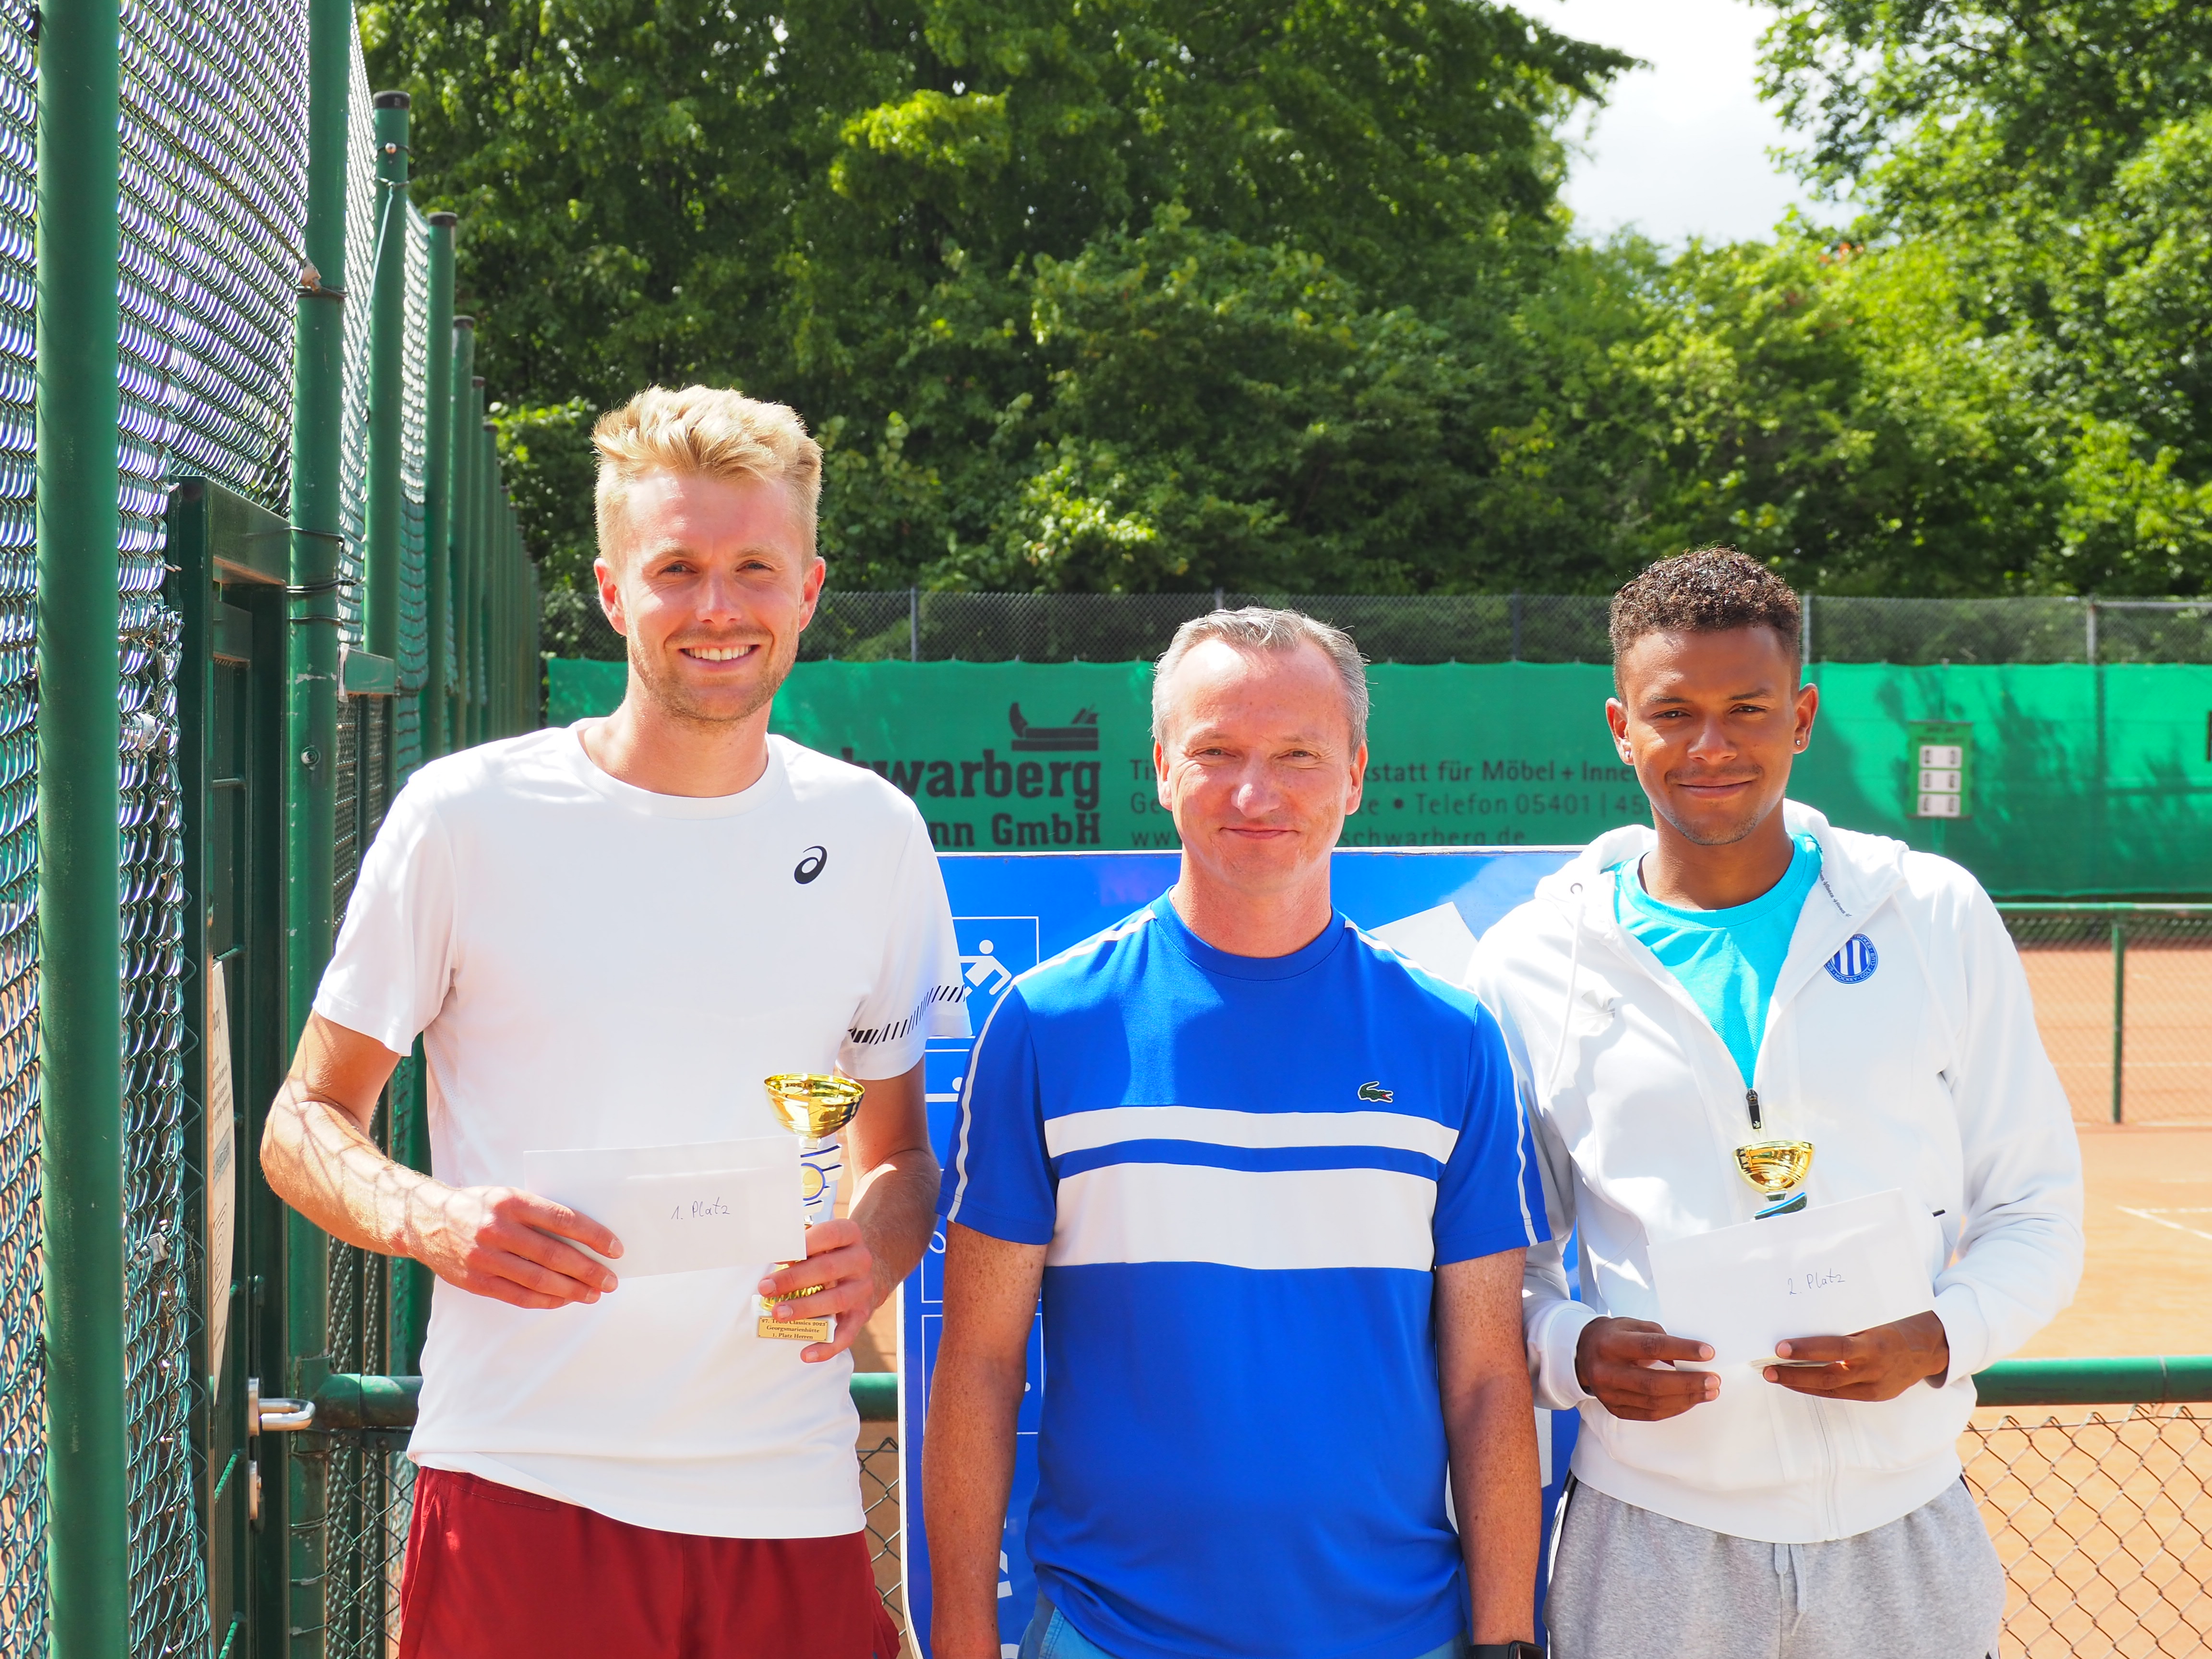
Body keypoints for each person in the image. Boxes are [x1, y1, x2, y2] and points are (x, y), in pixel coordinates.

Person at [260, 386, 968, 1659]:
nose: (718, 607)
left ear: (809, 590)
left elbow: (901, 1160)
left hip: (787, 1494)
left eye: (755, 569)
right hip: (521, 1481)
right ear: (610, 590)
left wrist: (874, 1248)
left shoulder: (875, 834)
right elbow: (302, 1121)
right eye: (677, 568)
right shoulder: (465, 816)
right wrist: (435, 1220)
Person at [1469, 549, 2083, 1659]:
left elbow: (2037, 1210)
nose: (1711, 745)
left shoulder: (1932, 915)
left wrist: (1941, 1336)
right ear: (1621, 728)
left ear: (1800, 717)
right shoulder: (1530, 963)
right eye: (1674, 713)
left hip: (1906, 1522)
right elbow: (1496, 1266)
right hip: (1649, 1534)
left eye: (1747, 709)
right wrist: (1571, 1346)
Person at [926, 608, 1550, 1659]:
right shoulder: (1047, 1025)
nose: (1257, 794)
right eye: (1217, 751)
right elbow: (982, 1362)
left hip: (1401, 1635)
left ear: (1355, 775)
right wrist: (959, 1641)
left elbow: (1489, 1378)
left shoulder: (1453, 1040)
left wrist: (1504, 1639)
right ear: (1163, 768)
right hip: (1112, 1635)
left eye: (1298, 754)